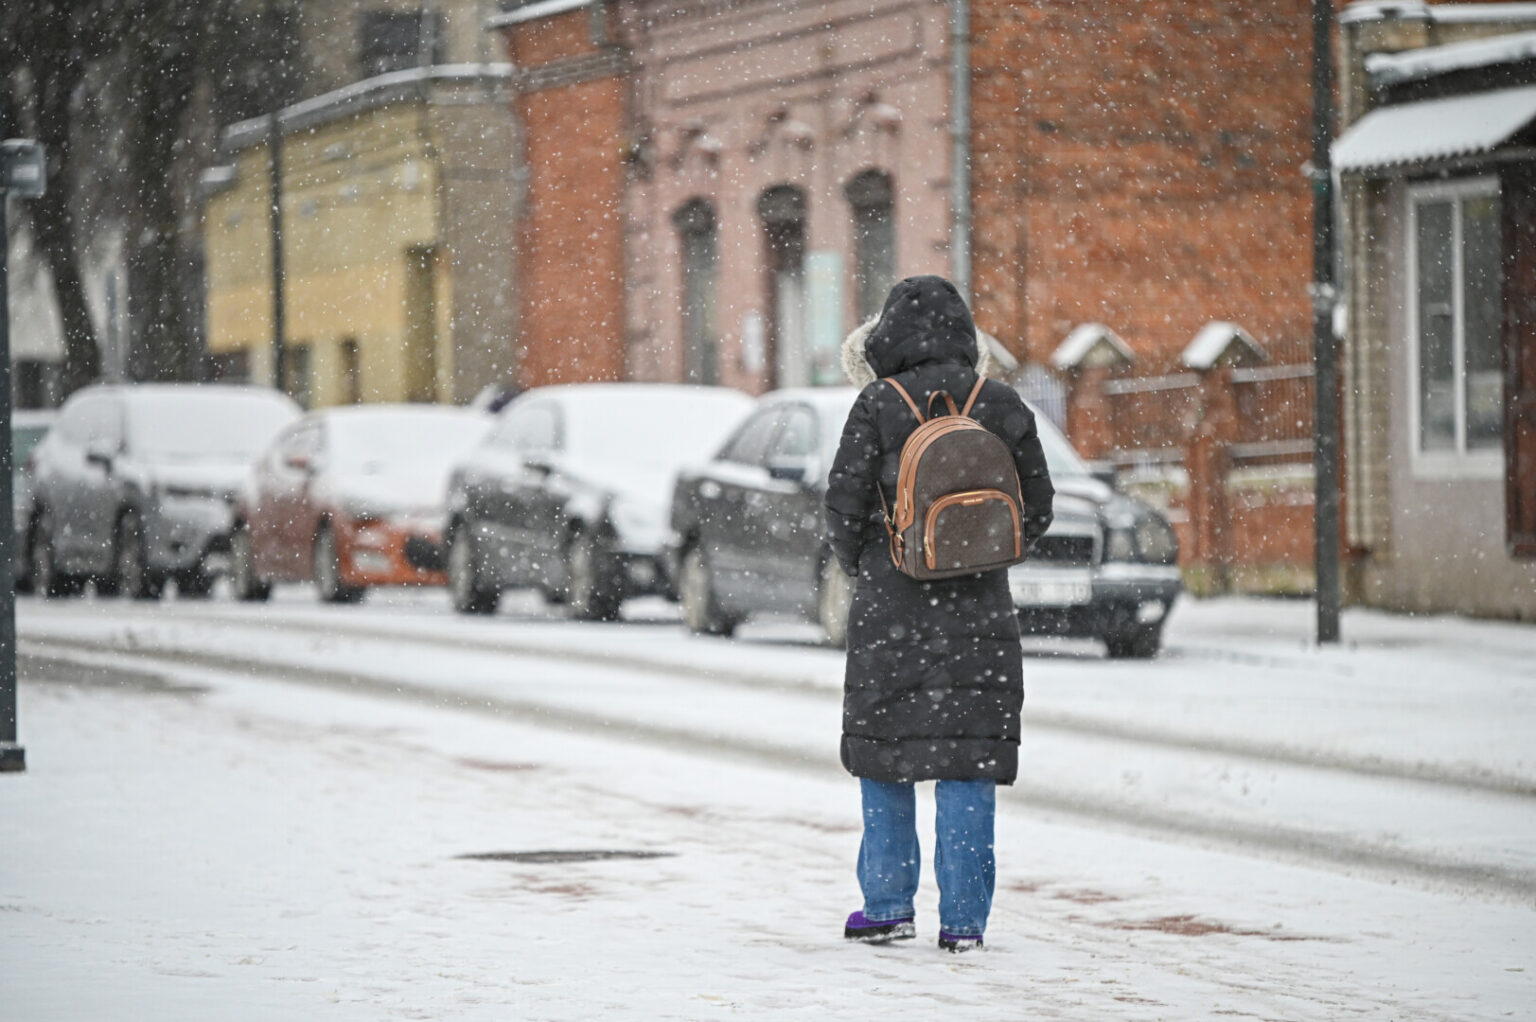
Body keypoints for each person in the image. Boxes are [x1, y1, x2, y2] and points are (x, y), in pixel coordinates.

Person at [824, 275, 1055, 953]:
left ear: (885, 336)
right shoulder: (1002, 403)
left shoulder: (877, 404)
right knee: (968, 761)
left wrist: (873, 564)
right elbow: (1036, 509)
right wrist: (976, 557)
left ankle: (888, 905)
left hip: (889, 606)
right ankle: (964, 922)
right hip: (980, 610)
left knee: (885, 754)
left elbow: (842, 508)